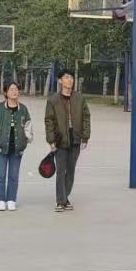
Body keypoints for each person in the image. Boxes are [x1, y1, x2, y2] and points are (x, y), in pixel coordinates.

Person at [44, 71, 90, 211]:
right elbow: (49, 121)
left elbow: (86, 117)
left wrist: (85, 137)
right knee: (60, 171)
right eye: (66, 77)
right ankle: (60, 201)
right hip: (60, 140)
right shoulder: (53, 100)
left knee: (70, 171)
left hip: (75, 138)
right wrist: (51, 140)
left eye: (71, 77)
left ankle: (65, 197)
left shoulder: (80, 98)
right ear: (60, 81)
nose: (70, 80)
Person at [0, 80, 32, 212]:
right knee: (1, 175)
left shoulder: (23, 109)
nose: (14, 91)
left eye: (16, 89)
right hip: (0, 148)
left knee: (14, 175)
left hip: (17, 148)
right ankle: (1, 200)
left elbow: (28, 126)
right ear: (6, 92)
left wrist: (25, 140)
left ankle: (11, 200)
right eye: (11, 89)